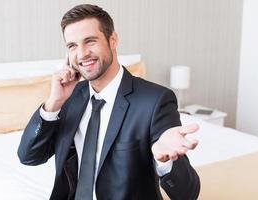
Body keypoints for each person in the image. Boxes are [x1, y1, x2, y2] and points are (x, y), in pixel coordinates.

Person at [18, 4, 200, 200]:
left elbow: (187, 194)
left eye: (90, 41)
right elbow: (29, 157)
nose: (82, 53)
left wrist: (164, 162)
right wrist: (54, 103)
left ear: (113, 40)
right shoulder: (69, 98)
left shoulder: (155, 101)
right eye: (72, 46)